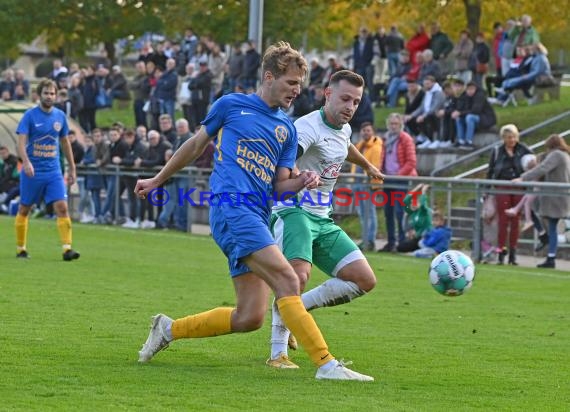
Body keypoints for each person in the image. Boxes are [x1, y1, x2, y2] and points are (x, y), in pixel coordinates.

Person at [134, 42, 373, 381]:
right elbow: (195, 144)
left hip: (258, 215)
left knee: (249, 318)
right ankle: (326, 364)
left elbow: (279, 187)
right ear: (269, 76)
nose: (296, 90)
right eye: (291, 82)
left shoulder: (287, 130)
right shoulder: (232, 105)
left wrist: (302, 181)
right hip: (232, 208)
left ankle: (168, 329)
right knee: (289, 280)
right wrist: (159, 179)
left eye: (300, 84)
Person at [267, 70, 383, 369]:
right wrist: (300, 175)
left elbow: (345, 146)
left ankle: (297, 311)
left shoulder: (343, 128)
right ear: (327, 94)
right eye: (345, 98)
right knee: (297, 277)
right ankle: (277, 353)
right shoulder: (306, 128)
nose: (350, 106)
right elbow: (286, 159)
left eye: (356, 102)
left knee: (363, 280)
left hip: (322, 217)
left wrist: (368, 165)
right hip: (293, 211)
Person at [14, 78, 80, 261]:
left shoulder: (60, 116)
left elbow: (65, 143)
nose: (49, 96)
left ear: (56, 95)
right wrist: (26, 162)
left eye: (52, 93)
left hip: (54, 171)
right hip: (32, 171)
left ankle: (67, 249)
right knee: (25, 208)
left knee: (62, 207)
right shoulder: (30, 116)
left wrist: (72, 169)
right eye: (46, 93)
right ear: (39, 95)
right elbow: (21, 142)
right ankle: (21, 248)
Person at [516, 135, 570, 268]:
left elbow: (543, 168)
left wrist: (523, 178)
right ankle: (550, 254)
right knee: (549, 224)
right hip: (558, 197)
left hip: (556, 198)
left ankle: (544, 238)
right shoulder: (564, 155)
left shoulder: (556, 154)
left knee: (535, 209)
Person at [487, 124, 532, 265]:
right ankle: (501, 251)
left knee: (515, 221)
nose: (511, 140)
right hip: (502, 185)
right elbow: (491, 171)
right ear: (503, 138)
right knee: (503, 220)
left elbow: (533, 167)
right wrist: (487, 190)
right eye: (508, 137)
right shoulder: (497, 151)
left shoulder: (524, 150)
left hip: (518, 186)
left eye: (513, 137)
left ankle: (513, 253)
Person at [379, 113, 418, 252]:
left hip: (401, 179)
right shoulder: (385, 138)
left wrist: (399, 175)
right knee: (388, 212)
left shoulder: (406, 139)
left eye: (396, 124)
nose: (393, 126)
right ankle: (391, 242)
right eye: (391, 124)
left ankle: (402, 242)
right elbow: (382, 158)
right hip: (387, 178)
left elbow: (411, 162)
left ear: (401, 125)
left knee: (400, 211)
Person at [352, 122, 384, 251]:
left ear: (373, 132)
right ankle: (365, 239)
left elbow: (376, 166)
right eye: (364, 130)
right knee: (362, 213)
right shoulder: (359, 146)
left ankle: (370, 240)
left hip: (368, 184)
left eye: (368, 130)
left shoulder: (375, 147)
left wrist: (375, 185)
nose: (366, 132)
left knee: (370, 213)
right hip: (357, 183)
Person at [396, 183, 432, 253]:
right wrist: (416, 188)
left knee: (405, 246)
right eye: (412, 202)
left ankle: (422, 250)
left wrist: (423, 191)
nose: (413, 204)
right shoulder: (412, 212)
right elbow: (405, 201)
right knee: (400, 247)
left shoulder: (423, 211)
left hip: (425, 237)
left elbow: (423, 203)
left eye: (415, 202)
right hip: (416, 238)